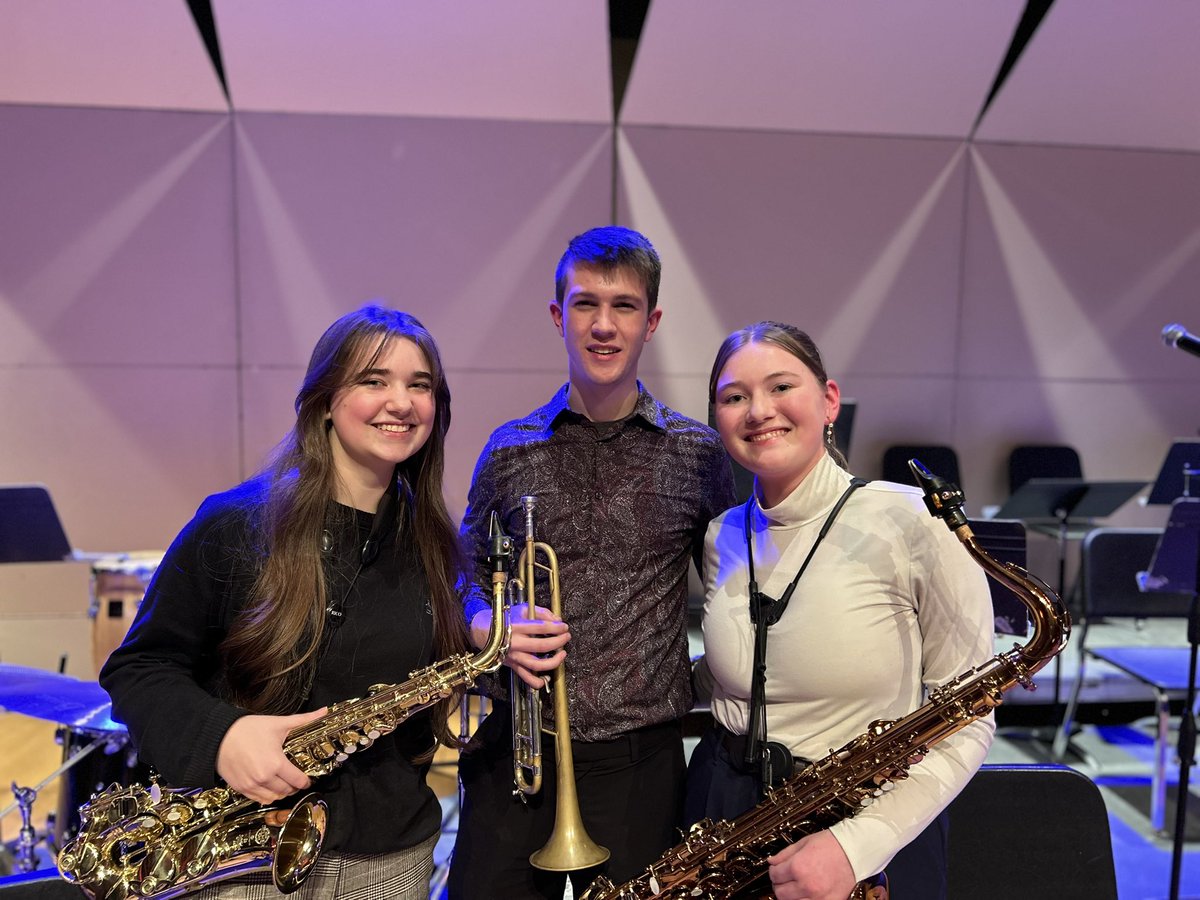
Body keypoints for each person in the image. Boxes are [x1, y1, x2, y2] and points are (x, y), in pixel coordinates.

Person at [99, 305, 473, 899]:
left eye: (419, 385)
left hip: (390, 861)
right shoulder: (236, 523)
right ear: (325, 401)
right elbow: (140, 669)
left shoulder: (432, 544)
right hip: (246, 858)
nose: (401, 402)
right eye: (374, 380)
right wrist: (223, 737)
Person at [447, 226, 737, 900]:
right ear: (558, 316)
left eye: (624, 306)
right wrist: (490, 622)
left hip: (641, 758)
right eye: (584, 304)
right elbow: (460, 571)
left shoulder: (697, 455)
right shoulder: (509, 449)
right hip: (517, 752)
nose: (603, 325)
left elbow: (733, 584)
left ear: (651, 321)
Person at [687, 321, 995, 900]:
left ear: (829, 400)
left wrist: (857, 846)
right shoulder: (722, 534)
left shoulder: (914, 522)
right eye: (734, 397)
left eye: (781, 387)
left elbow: (968, 719)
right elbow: (733, 676)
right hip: (723, 812)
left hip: (866, 829)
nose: (759, 410)